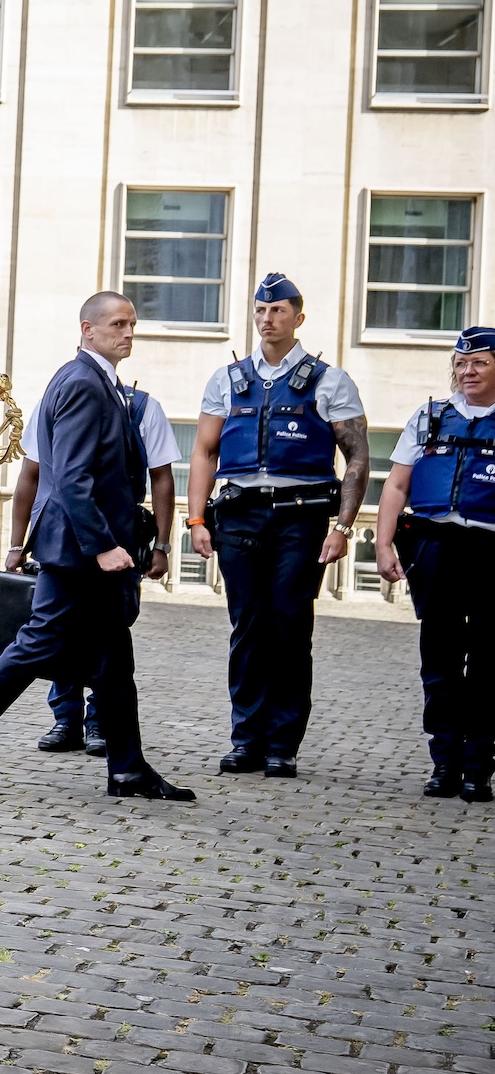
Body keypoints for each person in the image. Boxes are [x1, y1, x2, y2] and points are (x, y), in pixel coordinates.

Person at [0, 294, 196, 801]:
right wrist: (102, 547)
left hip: (83, 548)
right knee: (37, 645)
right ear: (88, 329)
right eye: (118, 324)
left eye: (133, 324)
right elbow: (69, 476)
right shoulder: (81, 383)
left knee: (114, 661)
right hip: (78, 551)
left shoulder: (99, 383)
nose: (128, 333)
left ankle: (128, 768)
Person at [187, 272, 368, 779]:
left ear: (298, 318)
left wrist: (344, 527)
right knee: (247, 627)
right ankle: (245, 739)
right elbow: (203, 451)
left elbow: (356, 458)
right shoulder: (227, 378)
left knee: (289, 625)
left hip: (301, 516)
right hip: (239, 514)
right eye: (261, 311)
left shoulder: (330, 381)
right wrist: (196, 517)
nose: (267, 320)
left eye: (278, 311)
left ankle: (281, 744)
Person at [8, 384, 177, 755]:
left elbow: (162, 478)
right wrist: (17, 543)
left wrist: (162, 546)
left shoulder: (144, 407)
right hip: (61, 538)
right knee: (60, 630)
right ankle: (66, 720)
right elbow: (31, 474)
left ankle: (100, 721)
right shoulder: (52, 400)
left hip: (119, 539)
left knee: (110, 631)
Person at [373, 327, 495, 801]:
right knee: (440, 661)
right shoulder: (429, 418)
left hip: (489, 552)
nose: (468, 371)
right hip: (436, 548)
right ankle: (444, 761)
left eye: (480, 363)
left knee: (488, 665)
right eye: (462, 363)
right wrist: (384, 544)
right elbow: (397, 485)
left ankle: (478, 766)